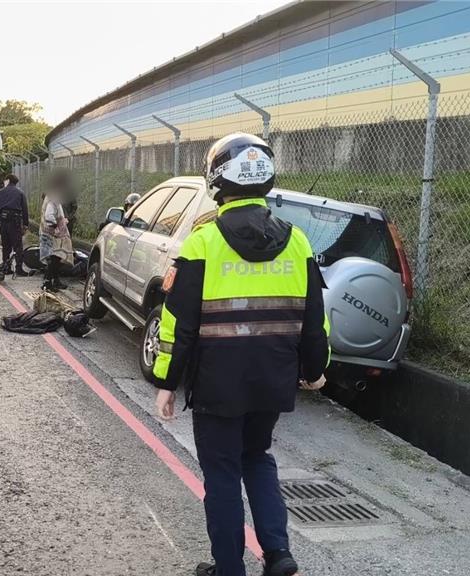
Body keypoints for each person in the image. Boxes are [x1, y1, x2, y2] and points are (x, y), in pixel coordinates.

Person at [152, 133, 329, 576]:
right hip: (273, 380)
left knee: (224, 474)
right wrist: (314, 369)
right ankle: (278, 555)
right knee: (258, 459)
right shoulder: (298, 242)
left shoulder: (203, 242)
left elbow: (178, 324)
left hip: (218, 384)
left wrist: (165, 381)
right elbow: (315, 319)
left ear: (216, 180)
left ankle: (229, 567)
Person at [39, 171, 73, 292]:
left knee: (55, 258)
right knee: (54, 259)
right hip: (53, 234)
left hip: (49, 233)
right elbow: (49, 216)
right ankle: (47, 282)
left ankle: (54, 281)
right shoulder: (53, 197)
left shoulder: (51, 195)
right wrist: (57, 227)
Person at [0, 174, 29, 275]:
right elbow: (25, 210)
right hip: (15, 222)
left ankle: (6, 266)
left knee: (6, 246)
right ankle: (19, 268)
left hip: (3, 222)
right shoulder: (20, 193)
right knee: (17, 246)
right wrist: (25, 224)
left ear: (8, 180)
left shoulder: (0, 192)